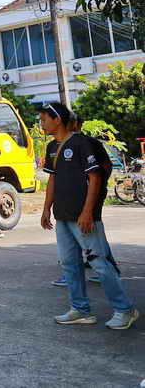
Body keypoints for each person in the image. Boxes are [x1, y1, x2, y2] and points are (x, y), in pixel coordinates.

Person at [39, 102, 138, 329]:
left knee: (99, 263)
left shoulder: (81, 143)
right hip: (62, 216)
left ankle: (125, 310)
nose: (41, 124)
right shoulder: (52, 147)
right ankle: (80, 310)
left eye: (44, 119)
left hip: (83, 216)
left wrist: (87, 212)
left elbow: (95, 177)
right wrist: (46, 209)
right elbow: (52, 179)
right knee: (69, 264)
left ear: (57, 120)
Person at [51, 114, 120, 288]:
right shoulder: (56, 145)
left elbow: (105, 167)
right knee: (73, 238)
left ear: (76, 124)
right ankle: (72, 275)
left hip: (89, 197)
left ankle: (109, 271)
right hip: (67, 202)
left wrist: (96, 189)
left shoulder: (88, 143)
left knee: (92, 233)